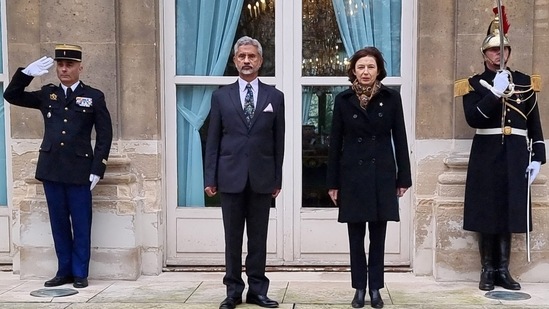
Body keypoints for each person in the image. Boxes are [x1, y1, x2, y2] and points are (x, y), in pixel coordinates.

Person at [3, 44, 113, 289]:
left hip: (79, 170)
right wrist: (25, 74)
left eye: (69, 65)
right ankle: (64, 270)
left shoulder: (94, 96)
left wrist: (98, 167)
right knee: (59, 222)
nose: (64, 69)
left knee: (81, 222)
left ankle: (80, 272)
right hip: (52, 168)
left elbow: (105, 135)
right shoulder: (47, 94)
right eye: (60, 65)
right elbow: (11, 96)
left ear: (79, 67)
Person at [457, 8, 545, 291]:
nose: (498, 55)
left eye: (503, 49)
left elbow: (534, 122)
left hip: (516, 152)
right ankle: (487, 270)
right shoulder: (472, 84)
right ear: (485, 54)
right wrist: (494, 93)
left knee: (509, 210)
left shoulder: (524, 82)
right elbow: (473, 119)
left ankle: (504, 270)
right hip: (486, 151)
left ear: (508, 52)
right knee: (486, 210)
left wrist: (538, 158)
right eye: (493, 50)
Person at [326, 47, 411, 309]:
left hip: (381, 174)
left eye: (370, 67)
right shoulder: (342, 100)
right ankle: (359, 288)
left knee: (378, 235)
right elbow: (335, 142)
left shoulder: (391, 98)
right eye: (361, 67)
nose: (365, 72)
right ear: (353, 70)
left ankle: (375, 288)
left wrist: (403, 177)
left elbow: (400, 137)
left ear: (378, 70)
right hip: (352, 174)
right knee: (355, 236)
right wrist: (333, 182)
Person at [204, 36, 285, 309]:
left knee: (258, 238)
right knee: (233, 238)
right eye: (242, 57)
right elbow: (212, 140)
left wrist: (277, 178)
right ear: (235, 61)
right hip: (230, 177)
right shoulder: (220, 96)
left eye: (252, 56)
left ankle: (258, 290)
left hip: (262, 178)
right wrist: (210, 178)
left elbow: (279, 142)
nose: (247, 61)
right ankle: (233, 291)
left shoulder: (275, 97)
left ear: (260, 61)